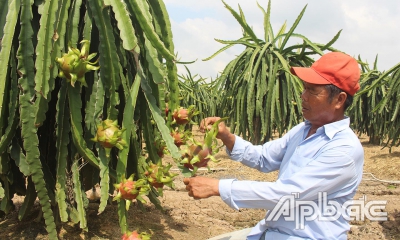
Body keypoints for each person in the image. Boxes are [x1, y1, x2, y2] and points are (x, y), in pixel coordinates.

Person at [183, 52, 364, 240]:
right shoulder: (303, 130)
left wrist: (219, 187)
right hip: (270, 232)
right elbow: (264, 157)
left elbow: (287, 194)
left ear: (339, 100)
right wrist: (228, 137)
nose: (303, 96)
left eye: (312, 91)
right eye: (304, 89)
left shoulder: (344, 149)